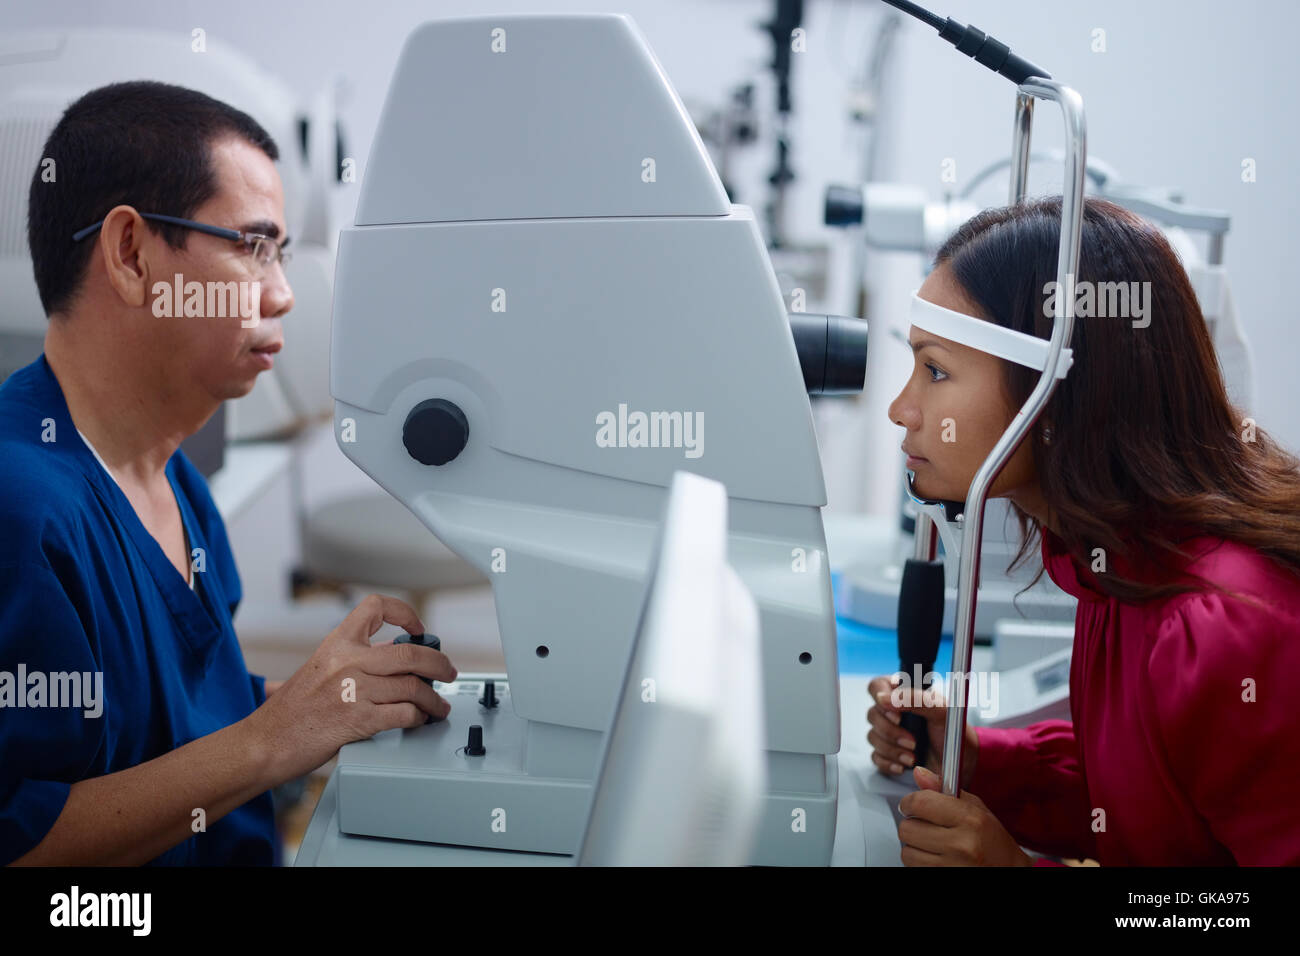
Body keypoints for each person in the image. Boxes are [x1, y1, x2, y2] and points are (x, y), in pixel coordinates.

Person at [0, 81, 456, 866]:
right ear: (133, 255)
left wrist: (332, 706)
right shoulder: (22, 511)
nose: (281, 294)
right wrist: (272, 742)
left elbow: (182, 725)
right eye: (252, 246)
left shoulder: (174, 483)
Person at [868, 196, 1300, 866]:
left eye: (937, 370)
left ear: (1053, 396)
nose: (902, 409)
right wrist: (977, 757)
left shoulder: (1223, 628)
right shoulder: (1112, 560)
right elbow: (1141, 798)